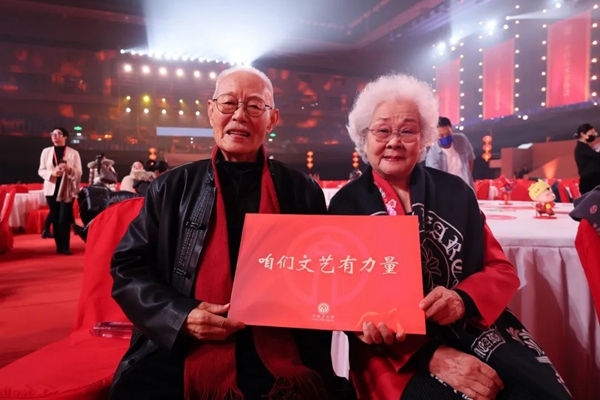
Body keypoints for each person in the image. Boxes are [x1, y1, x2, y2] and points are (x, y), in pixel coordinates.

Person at [110, 66, 352, 400]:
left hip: (278, 343)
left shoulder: (300, 190)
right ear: (211, 111)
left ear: (272, 119)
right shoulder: (172, 187)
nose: (239, 115)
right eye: (228, 103)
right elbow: (128, 268)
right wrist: (180, 316)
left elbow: (324, 274)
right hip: (182, 343)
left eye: (254, 106)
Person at [328, 74, 571, 400]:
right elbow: (342, 301)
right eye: (382, 130)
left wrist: (461, 299)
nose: (394, 141)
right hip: (395, 353)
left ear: (424, 138)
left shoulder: (455, 192)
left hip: (471, 328)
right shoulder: (345, 206)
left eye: (408, 131)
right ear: (364, 137)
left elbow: (500, 270)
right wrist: (430, 354)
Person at [38, 127, 82, 255]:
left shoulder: (73, 153)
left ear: (65, 137)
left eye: (58, 134)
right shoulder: (46, 152)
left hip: (67, 189)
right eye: (53, 133)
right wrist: (52, 174)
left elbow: (79, 172)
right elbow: (41, 170)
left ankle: (65, 247)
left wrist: (69, 169)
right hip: (51, 189)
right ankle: (59, 246)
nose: (55, 135)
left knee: (64, 218)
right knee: (56, 217)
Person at [425, 117, 475, 188]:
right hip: (448, 189)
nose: (445, 137)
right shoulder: (432, 155)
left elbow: (470, 158)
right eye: (441, 135)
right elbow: (436, 178)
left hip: (466, 186)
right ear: (435, 136)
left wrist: (468, 175)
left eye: (448, 134)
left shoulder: (462, 139)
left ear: (451, 129)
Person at [574, 123, 600, 194]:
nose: (594, 135)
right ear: (582, 134)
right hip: (590, 183)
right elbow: (597, 156)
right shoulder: (581, 148)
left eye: (594, 133)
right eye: (591, 133)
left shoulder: (586, 147)